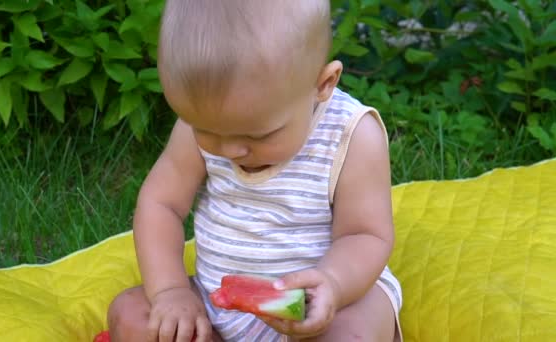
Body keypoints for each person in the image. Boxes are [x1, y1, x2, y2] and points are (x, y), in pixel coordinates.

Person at [107, 0, 402, 341]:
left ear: (323, 84)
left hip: (328, 301)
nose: (230, 150)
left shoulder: (351, 135)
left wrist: (334, 284)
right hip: (219, 303)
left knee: (351, 333)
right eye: (209, 132)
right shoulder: (208, 119)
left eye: (257, 135)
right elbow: (161, 204)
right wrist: (170, 291)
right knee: (130, 315)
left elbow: (364, 235)